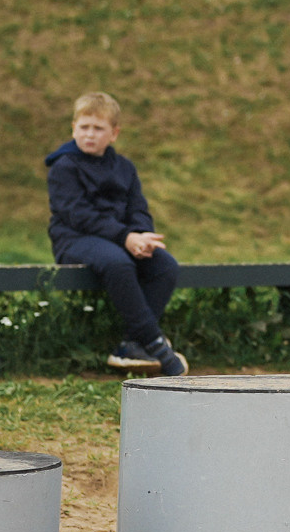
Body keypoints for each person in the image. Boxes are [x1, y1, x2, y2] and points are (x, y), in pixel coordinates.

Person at [45, 92, 186, 376]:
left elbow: (138, 209)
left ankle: (131, 344)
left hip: (119, 239)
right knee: (118, 263)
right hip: (75, 239)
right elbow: (79, 215)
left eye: (98, 128)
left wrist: (142, 237)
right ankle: (154, 342)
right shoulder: (64, 167)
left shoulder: (124, 168)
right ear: (73, 128)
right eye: (84, 127)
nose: (90, 134)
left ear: (114, 133)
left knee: (165, 265)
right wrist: (125, 238)